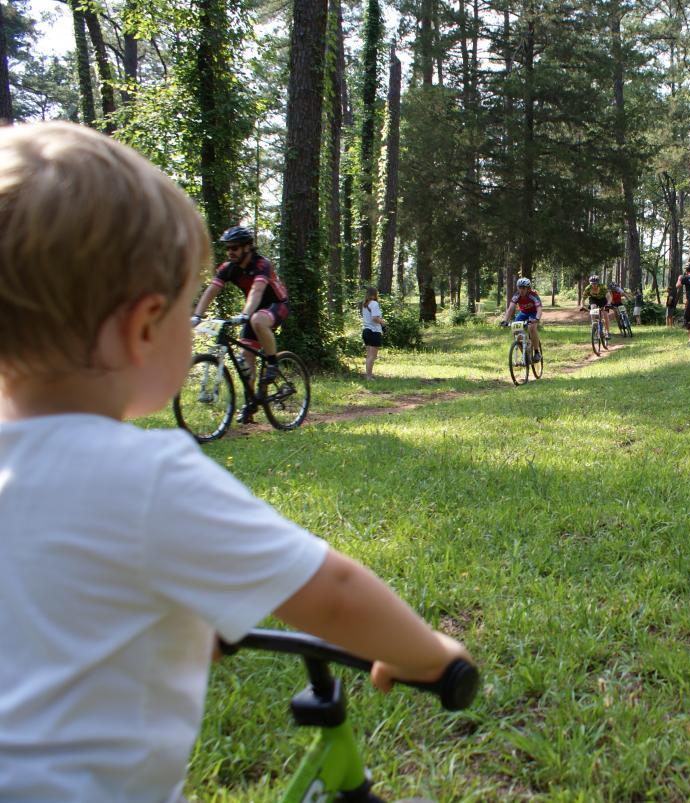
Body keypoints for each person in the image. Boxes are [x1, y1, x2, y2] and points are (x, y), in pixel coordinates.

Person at [0, 121, 472, 802]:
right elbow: (332, 591)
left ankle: (270, 373)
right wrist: (428, 651)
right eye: (175, 314)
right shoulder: (149, 478)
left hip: (266, 313)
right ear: (141, 328)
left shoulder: (261, 266)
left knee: (256, 328)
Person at [191, 225, 289, 423]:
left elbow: (257, 291)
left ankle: (272, 362)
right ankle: (250, 406)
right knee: (246, 359)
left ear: (247, 248)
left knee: (257, 319)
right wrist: (197, 316)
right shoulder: (228, 268)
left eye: (234, 248)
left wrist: (245, 314)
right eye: (228, 248)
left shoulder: (262, 265)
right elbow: (211, 291)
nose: (230, 252)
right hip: (252, 312)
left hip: (276, 305)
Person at [501, 277, 543, 360]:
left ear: (528, 288)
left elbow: (539, 309)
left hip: (533, 313)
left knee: (531, 328)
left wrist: (537, 318)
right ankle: (525, 353)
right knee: (515, 330)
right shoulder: (516, 295)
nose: (521, 290)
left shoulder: (533, 295)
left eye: (523, 288)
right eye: (519, 288)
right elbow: (510, 309)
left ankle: (537, 352)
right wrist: (504, 320)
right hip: (523, 313)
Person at [361, 286, 384, 380]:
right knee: (372, 356)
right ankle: (369, 376)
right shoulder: (374, 303)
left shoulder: (365, 304)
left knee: (369, 356)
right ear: (375, 294)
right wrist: (382, 322)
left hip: (366, 331)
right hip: (374, 331)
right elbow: (374, 318)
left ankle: (368, 375)